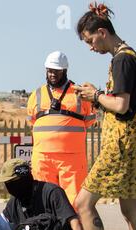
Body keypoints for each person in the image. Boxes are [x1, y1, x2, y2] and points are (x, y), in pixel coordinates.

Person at [70, 2, 136, 230]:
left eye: (90, 41)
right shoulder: (129, 57)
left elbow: (122, 105)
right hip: (133, 147)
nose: (90, 48)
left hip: (121, 148)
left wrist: (95, 95)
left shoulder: (123, 60)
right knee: (134, 213)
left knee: (83, 203)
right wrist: (98, 93)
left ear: (101, 32)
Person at [27, 51, 96, 208]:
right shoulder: (36, 94)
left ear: (65, 71)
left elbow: (89, 120)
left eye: (56, 71)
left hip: (71, 159)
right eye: (50, 70)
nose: (52, 74)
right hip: (43, 157)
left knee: (74, 201)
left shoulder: (79, 93)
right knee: (43, 199)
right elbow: (32, 121)